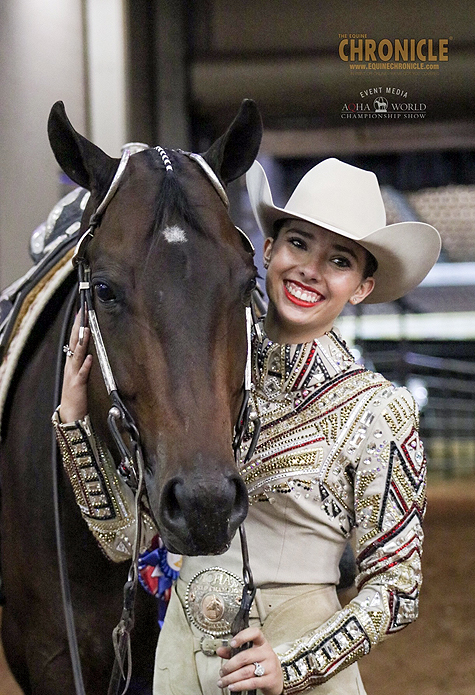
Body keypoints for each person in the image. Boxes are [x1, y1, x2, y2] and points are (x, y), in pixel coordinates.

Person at [54, 157, 441, 695]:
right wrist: (73, 424)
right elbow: (127, 540)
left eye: (340, 260)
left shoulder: (377, 411)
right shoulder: (197, 386)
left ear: (360, 286)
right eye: (299, 243)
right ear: (267, 250)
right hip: (180, 670)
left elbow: (398, 587)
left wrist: (294, 664)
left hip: (299, 679)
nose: (310, 268)